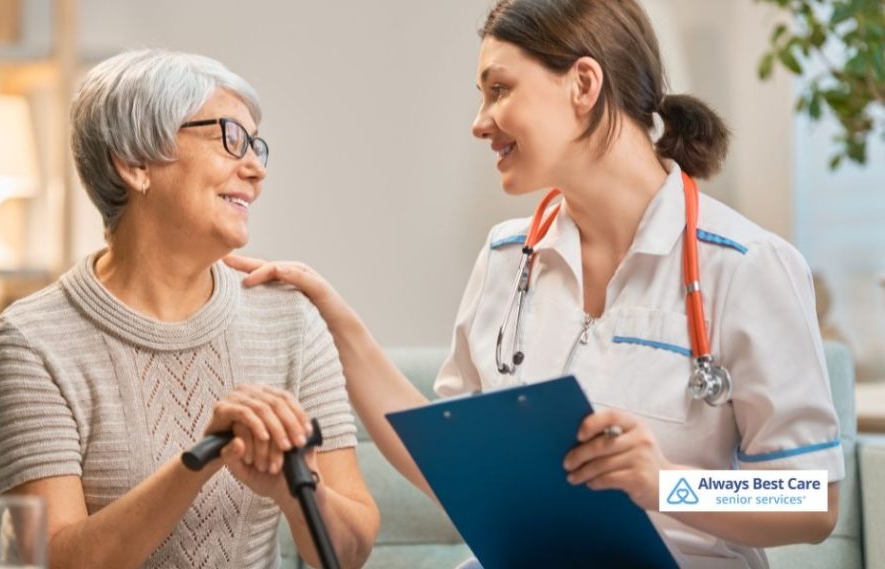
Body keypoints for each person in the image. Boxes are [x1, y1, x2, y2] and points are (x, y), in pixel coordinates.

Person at [226, 0, 842, 567]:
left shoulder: (746, 265)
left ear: (583, 84)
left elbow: (814, 502)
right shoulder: (506, 258)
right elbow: (451, 462)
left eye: (499, 90)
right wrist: (334, 316)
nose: (480, 122)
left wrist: (662, 482)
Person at [0, 49, 378, 569]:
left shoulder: (290, 320)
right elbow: (51, 560)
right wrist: (200, 460)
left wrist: (296, 488)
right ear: (135, 163)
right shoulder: (32, 339)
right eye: (231, 139)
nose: (255, 170)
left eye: (257, 146)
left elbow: (349, 554)